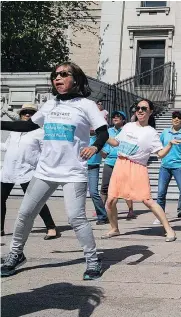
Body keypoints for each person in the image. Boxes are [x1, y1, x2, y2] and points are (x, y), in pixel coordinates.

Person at [1, 62, 109, 280]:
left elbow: (103, 132)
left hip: (73, 172)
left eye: (63, 74)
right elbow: (28, 126)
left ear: (75, 79)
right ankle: (15, 254)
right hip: (45, 170)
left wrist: (95, 146)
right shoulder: (50, 104)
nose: (57, 78)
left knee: (76, 218)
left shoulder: (86, 105)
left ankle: (92, 260)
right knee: (24, 214)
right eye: (55, 75)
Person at [101, 99, 177, 242]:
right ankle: (114, 229)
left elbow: (160, 154)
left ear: (150, 112)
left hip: (138, 167)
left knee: (147, 201)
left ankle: (169, 230)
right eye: (138, 108)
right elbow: (116, 142)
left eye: (144, 108)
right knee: (110, 200)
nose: (140, 110)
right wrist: (102, 136)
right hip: (120, 164)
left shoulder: (151, 132)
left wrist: (170, 145)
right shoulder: (128, 126)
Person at [1, 103, 59, 239]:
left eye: (31, 113)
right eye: (25, 112)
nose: (27, 114)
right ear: (20, 115)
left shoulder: (39, 132)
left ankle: (51, 227)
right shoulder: (14, 131)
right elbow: (6, 147)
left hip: (28, 171)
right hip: (9, 171)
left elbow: (46, 152)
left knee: (36, 201)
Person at [154, 111, 181, 226]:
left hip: (179, 167)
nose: (176, 119)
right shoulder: (165, 132)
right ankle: (160, 216)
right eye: (174, 117)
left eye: (179, 118)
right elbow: (160, 147)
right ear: (171, 119)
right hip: (165, 166)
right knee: (160, 193)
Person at [100, 111, 135, 220]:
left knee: (125, 188)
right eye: (114, 116)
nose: (115, 118)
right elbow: (105, 145)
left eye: (118, 117)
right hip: (109, 162)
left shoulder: (127, 131)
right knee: (104, 187)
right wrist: (102, 150)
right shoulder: (109, 131)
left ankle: (130, 210)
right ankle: (101, 211)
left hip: (122, 162)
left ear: (123, 120)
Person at [87, 129, 109, 225]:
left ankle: (102, 216)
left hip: (93, 166)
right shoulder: (81, 136)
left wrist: (98, 148)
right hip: (79, 167)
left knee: (93, 192)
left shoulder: (101, 138)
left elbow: (105, 155)